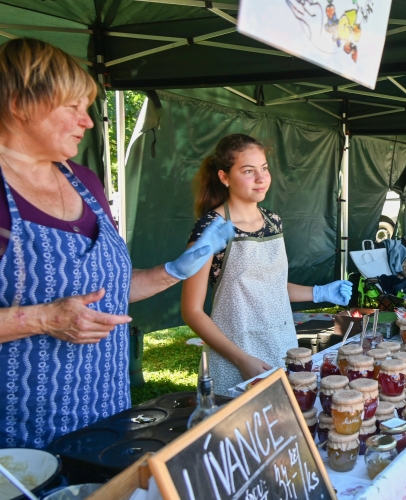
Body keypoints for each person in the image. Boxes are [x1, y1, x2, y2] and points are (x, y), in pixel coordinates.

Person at [0, 38, 235, 449]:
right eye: (72, 107)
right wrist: (41, 319)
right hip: (22, 434)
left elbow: (107, 291)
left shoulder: (84, 182)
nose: (88, 122)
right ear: (20, 104)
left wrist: (176, 270)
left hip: (107, 411)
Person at [181, 134, 352, 393]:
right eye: (248, 171)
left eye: (264, 168)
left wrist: (320, 292)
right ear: (224, 177)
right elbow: (192, 311)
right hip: (235, 354)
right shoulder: (211, 229)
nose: (261, 179)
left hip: (281, 346)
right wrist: (241, 359)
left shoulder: (273, 221)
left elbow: (271, 288)